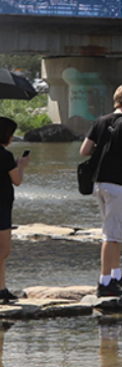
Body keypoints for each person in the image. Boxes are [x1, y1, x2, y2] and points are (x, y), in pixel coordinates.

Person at [80, 82, 122, 297]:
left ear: (116, 101)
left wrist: (105, 149)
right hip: (117, 184)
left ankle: (116, 276)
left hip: (98, 183)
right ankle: (104, 281)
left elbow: (84, 150)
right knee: (111, 235)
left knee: (115, 233)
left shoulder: (100, 122)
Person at [0, 116, 21, 301]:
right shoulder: (5, 156)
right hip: (2, 207)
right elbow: (17, 180)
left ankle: (2, 288)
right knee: (4, 251)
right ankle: (1, 288)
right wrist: (20, 166)